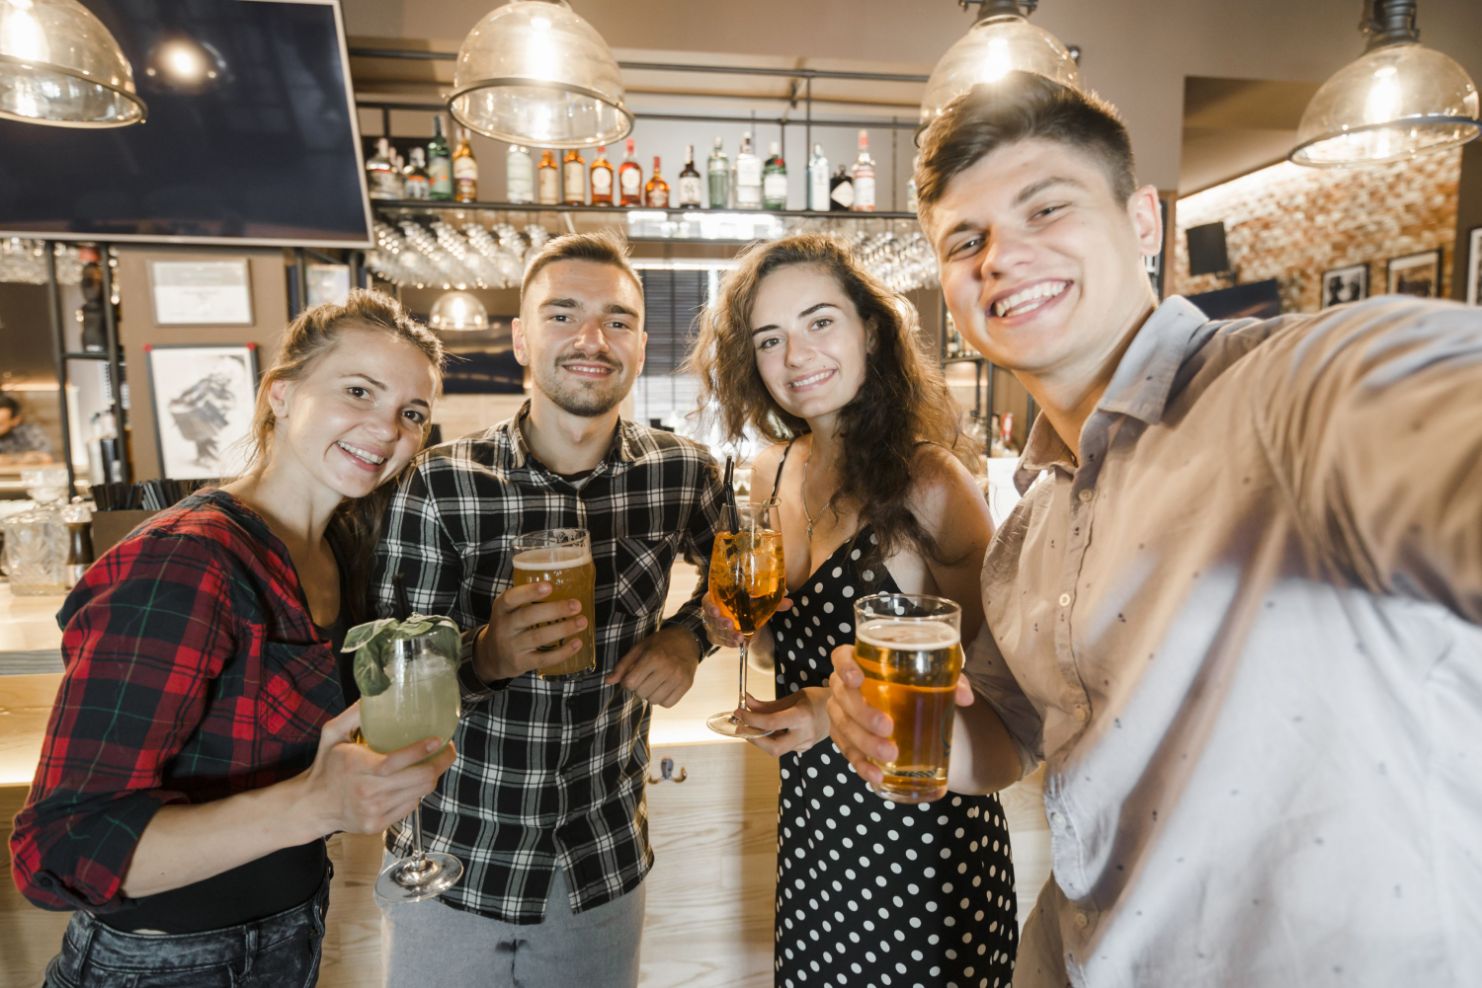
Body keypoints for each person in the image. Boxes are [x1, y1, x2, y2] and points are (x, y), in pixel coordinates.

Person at [826, 70, 1482, 987]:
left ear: (1143, 222)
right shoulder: (1028, 533)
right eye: (966, 240)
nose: (1000, 258)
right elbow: (1006, 737)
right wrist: (903, 739)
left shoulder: (1288, 391)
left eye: (1046, 208)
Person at [9, 291, 455, 988]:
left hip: (289, 934)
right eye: (359, 391)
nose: (386, 427)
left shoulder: (340, 546)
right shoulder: (185, 561)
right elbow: (60, 849)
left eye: (412, 413)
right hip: (160, 964)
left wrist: (490, 656)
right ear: (282, 394)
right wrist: (314, 805)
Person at [372, 230, 726, 988]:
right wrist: (486, 656)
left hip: (599, 862)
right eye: (562, 315)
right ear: (521, 341)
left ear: (641, 346)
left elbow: (743, 579)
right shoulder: (439, 483)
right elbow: (394, 689)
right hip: (454, 860)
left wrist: (690, 638)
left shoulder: (684, 473)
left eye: (618, 321)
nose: (592, 339)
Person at [688, 232, 1019, 987]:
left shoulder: (929, 482)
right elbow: (777, 650)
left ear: (869, 331)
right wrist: (739, 626)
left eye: (820, 322)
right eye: (770, 338)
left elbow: (998, 701)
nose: (796, 355)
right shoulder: (772, 471)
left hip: (922, 848)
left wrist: (825, 709)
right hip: (815, 833)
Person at [0, 391, 55, 464]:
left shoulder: (30, 432)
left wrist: (10, 459)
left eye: (1, 423)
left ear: (15, 420)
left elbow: (47, 457)